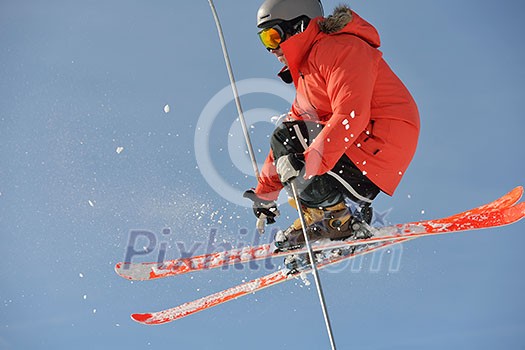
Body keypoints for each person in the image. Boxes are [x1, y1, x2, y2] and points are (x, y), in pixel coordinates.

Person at [244, 0, 420, 250]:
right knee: (287, 139)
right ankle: (335, 213)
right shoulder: (309, 72)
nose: (270, 49)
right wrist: (265, 195)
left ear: (299, 26)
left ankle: (333, 217)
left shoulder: (341, 48)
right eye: (264, 41)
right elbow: (292, 131)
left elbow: (352, 114)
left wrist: (310, 164)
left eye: (273, 37)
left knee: (290, 143)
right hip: (360, 150)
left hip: (379, 141)